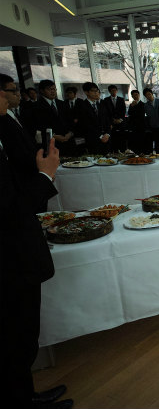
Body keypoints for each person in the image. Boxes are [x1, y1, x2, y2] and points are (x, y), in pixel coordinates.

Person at [1, 87, 73, 409]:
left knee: (20, 338)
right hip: (10, 260)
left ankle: (26, 394)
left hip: (15, 254)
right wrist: (45, 176)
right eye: (4, 92)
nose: (8, 97)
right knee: (16, 337)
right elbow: (10, 209)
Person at [0, 74, 48, 212]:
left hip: (31, 179)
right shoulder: (3, 121)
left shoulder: (13, 115)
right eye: (13, 90)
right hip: (21, 184)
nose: (18, 94)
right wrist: (43, 170)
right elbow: (16, 153)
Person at [77, 82, 110, 154]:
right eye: (93, 91)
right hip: (92, 140)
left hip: (106, 139)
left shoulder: (101, 105)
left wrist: (107, 134)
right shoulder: (82, 106)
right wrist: (100, 136)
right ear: (86, 92)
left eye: (97, 90)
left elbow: (107, 121)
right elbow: (86, 124)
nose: (96, 93)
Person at [34, 80, 66, 147]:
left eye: (54, 89)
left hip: (66, 139)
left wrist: (70, 133)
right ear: (42, 91)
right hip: (49, 142)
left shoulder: (62, 103)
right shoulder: (36, 106)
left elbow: (68, 119)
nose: (53, 91)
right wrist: (53, 135)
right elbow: (39, 125)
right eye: (49, 89)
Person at [102, 85, 126, 151]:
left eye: (115, 90)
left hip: (121, 122)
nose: (114, 92)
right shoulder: (106, 100)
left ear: (117, 91)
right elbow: (106, 112)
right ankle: (114, 152)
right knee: (113, 139)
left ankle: (122, 151)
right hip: (111, 123)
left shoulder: (121, 99)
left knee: (122, 138)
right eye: (112, 91)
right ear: (109, 92)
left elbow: (123, 111)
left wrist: (120, 119)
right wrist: (113, 120)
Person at [127, 90, 149, 154]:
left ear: (139, 95)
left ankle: (142, 154)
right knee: (135, 142)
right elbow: (129, 113)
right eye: (133, 95)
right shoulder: (131, 105)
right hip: (133, 127)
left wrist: (135, 108)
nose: (135, 96)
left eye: (136, 94)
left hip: (141, 126)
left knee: (142, 142)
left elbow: (141, 114)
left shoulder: (143, 104)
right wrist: (132, 106)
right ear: (132, 96)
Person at [143, 88, 159, 153]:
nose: (148, 96)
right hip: (152, 127)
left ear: (152, 94)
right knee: (154, 145)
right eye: (146, 95)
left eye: (149, 94)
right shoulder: (146, 105)